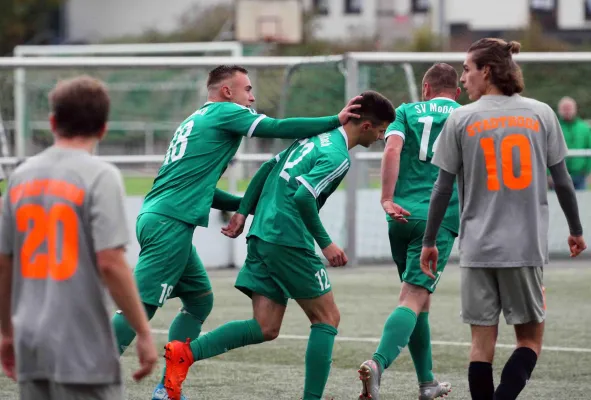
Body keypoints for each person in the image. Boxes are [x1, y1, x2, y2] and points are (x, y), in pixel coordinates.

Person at [108, 64, 364, 400]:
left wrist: (249, 204)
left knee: (200, 299)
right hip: (169, 223)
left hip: (162, 217)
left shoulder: (196, 120)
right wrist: (335, 120)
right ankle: (88, 377)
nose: (252, 96)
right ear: (227, 92)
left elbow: (203, 190)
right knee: (139, 308)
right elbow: (277, 127)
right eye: (248, 89)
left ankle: (168, 387)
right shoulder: (224, 112)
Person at [160, 91, 396, 400]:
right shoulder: (338, 156)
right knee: (327, 318)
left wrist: (243, 211)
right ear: (365, 125)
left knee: (265, 326)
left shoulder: (314, 138)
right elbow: (303, 197)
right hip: (287, 238)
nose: (381, 137)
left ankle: (184, 354)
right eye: (380, 130)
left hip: (262, 233)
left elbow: (266, 170)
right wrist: (326, 243)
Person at [420, 38, 587, 400]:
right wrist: (576, 230)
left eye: (467, 69)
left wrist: (429, 241)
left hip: (478, 247)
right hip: (524, 246)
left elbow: (441, 189)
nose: (462, 78)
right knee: (529, 340)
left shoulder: (461, 119)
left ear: (487, 71)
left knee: (481, 346)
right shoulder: (541, 113)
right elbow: (562, 181)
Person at [0, 76, 158, 400]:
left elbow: (4, 263)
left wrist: (5, 332)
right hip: (82, 347)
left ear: (53, 122)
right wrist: (142, 331)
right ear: (103, 128)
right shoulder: (100, 175)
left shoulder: (20, 177)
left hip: (31, 344)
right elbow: (111, 262)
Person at [358, 63, 461, 400]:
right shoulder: (465, 114)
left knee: (419, 300)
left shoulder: (404, 111)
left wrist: (386, 198)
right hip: (439, 217)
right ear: (455, 91)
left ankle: (427, 383)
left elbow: (391, 149)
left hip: (400, 215)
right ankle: (377, 363)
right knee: (414, 296)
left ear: (426, 89)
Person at [556, 96, 591, 190]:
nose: (567, 111)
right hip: (558, 176)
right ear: (559, 110)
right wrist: (548, 173)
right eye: (564, 109)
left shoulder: (584, 128)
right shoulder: (554, 128)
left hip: (580, 175)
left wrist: (588, 171)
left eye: (569, 108)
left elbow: (589, 148)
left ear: (575, 109)